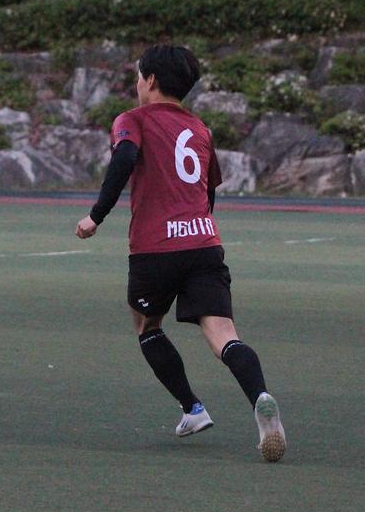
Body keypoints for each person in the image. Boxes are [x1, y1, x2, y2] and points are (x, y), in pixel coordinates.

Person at [75, 44, 286, 462]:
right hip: (204, 243)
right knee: (224, 335)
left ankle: (192, 408)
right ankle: (260, 396)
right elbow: (208, 191)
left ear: (151, 80)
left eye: (139, 75)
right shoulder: (200, 128)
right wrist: (196, 227)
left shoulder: (132, 119)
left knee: (146, 325)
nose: (137, 83)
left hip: (155, 248)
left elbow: (125, 158)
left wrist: (96, 216)